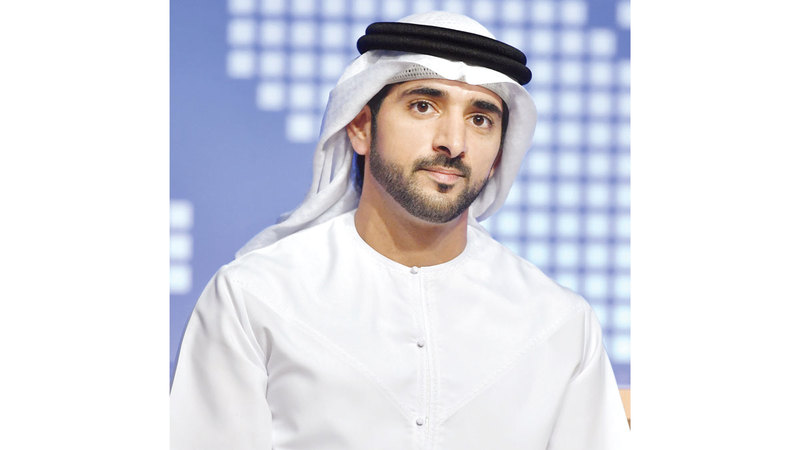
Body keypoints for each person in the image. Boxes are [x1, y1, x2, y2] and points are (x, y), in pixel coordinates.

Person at [170, 11, 629, 450]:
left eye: (480, 119)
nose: (453, 143)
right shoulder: (257, 297)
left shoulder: (557, 323)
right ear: (360, 127)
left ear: (498, 156)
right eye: (423, 106)